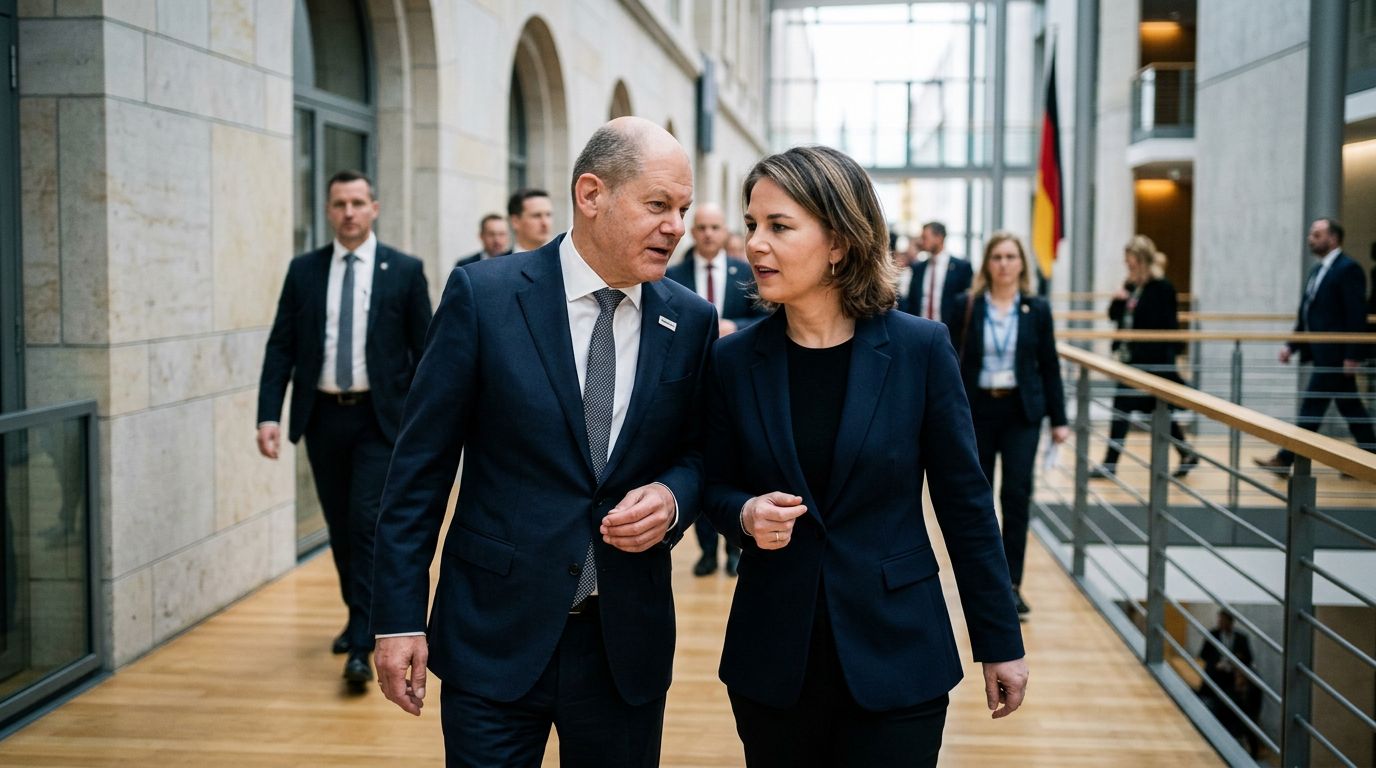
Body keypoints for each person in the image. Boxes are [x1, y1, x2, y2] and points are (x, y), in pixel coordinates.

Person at [370, 117, 717, 767]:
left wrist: (672, 499)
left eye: (683, 209)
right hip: (493, 636)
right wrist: (397, 617)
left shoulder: (689, 321)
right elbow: (419, 470)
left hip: (624, 647)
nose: (677, 227)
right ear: (592, 195)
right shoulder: (485, 296)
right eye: (658, 205)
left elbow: (700, 453)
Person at [702, 146, 1027, 768]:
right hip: (775, 661)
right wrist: (743, 514)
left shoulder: (920, 350)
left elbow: (965, 506)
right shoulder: (734, 361)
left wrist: (999, 641)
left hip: (899, 652)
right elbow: (713, 485)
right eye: (752, 225)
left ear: (839, 242)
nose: (755, 245)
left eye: (778, 226)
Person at [256, 170, 433, 690]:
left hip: (381, 422)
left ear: (374, 208)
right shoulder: (304, 271)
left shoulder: (403, 270)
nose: (349, 212)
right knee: (339, 526)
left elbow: (427, 352)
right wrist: (269, 412)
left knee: (365, 522)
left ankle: (362, 642)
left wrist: (429, 426)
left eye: (358, 202)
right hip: (324, 418)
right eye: (340, 204)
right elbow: (281, 346)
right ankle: (357, 613)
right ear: (330, 210)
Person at [945, 232, 1069, 616]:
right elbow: (950, 364)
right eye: (996, 256)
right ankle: (981, 585)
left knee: (1016, 498)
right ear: (987, 264)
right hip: (978, 412)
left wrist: (1059, 421)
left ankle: (1012, 585)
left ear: (1021, 264)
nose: (1003, 263)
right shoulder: (966, 305)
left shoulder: (1037, 309)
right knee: (976, 501)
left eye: (1010, 256)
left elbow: (1048, 366)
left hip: (1021, 413)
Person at [665, 202, 766, 578]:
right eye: (702, 226)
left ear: (725, 231)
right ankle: (706, 549)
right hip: (691, 383)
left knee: (735, 466)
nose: (708, 233)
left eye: (715, 227)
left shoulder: (747, 273)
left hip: (737, 383)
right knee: (699, 466)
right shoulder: (673, 274)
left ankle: (734, 547)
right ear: (694, 230)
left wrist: (733, 326)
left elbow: (764, 315)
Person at [1256, 218, 1375, 473]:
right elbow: (1307, 313)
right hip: (1323, 354)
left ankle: (1285, 458)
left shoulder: (1348, 269)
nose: (1311, 238)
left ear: (1333, 239)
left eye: (1317, 234)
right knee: (1351, 408)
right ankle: (1371, 457)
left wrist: (1353, 354)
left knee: (1312, 407)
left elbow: (1356, 315)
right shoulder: (1317, 271)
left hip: (1336, 355)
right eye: (1312, 234)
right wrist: (1292, 345)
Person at [1090, 235, 1198, 479]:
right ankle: (1186, 453)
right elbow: (1114, 314)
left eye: (1131, 261)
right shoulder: (1131, 285)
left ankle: (1110, 463)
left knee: (1124, 407)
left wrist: (1164, 362)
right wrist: (1118, 299)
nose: (1127, 266)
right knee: (1156, 411)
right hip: (1131, 360)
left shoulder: (1161, 288)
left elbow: (1168, 327)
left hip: (1150, 362)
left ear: (1142, 260)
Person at [1197, 610, 1258, 756]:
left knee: (1236, 713)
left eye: (1223, 620)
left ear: (1230, 622)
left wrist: (1236, 666)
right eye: (1219, 619)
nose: (1220, 623)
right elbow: (1203, 655)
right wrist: (1216, 664)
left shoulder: (1241, 638)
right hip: (1216, 678)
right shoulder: (1213, 634)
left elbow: (1248, 659)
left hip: (1233, 680)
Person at [904, 221, 972, 325]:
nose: (922, 242)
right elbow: (912, 302)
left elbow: (965, 304)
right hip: (920, 330)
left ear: (939, 238)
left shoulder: (961, 267)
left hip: (949, 332)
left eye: (925, 238)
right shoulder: (918, 268)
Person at [508, 187, 554, 252]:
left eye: (548, 215)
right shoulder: (498, 261)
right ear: (515, 222)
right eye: (536, 216)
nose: (545, 223)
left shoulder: (565, 260)